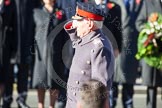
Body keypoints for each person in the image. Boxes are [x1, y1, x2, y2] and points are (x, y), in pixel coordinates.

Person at [64, 2, 115, 108]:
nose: (74, 24)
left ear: (89, 23)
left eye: (78, 20)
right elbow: (74, 36)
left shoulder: (99, 47)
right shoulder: (84, 40)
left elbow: (100, 88)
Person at [32, 0, 68, 108]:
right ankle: (40, 105)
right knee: (41, 81)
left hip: (55, 53)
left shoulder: (60, 12)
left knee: (54, 82)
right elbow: (31, 32)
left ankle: (52, 105)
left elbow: (64, 34)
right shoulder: (36, 12)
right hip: (40, 54)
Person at [108, 0, 143, 108]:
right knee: (112, 89)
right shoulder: (112, 2)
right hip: (115, 50)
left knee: (128, 90)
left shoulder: (140, 2)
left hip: (132, 50)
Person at [136, 0, 162, 108]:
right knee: (152, 86)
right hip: (153, 51)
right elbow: (139, 23)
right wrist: (150, 31)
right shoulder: (148, 3)